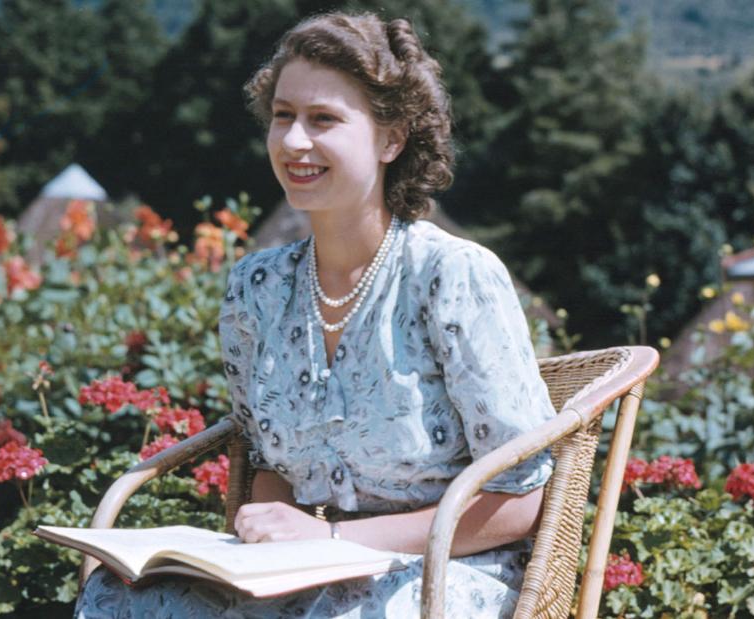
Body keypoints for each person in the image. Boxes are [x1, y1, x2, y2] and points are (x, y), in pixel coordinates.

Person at [75, 11, 557, 618]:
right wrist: (276, 537)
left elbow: (518, 505)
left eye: (323, 119)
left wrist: (332, 538)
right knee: (123, 599)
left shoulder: (453, 275)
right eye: (283, 116)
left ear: (392, 138)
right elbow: (266, 466)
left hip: (441, 574)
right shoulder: (256, 287)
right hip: (301, 570)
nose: (294, 141)